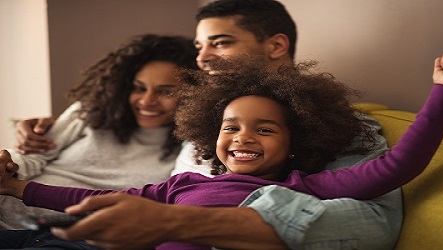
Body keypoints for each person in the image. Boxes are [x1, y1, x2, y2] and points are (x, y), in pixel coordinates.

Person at [10, 0, 404, 249]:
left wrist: (182, 221)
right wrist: (40, 139)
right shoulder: (203, 121)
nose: (202, 58)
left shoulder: (338, 127)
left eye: (220, 42)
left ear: (276, 46)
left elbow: (372, 227)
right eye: (199, 46)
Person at [0, 51, 443, 250]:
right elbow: (90, 204)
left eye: (264, 129)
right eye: (230, 128)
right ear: (211, 135)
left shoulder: (302, 186)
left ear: (296, 144)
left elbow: (398, 165)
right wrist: (16, 187)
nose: (243, 138)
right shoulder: (181, 183)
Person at [0, 34, 198, 230]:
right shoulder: (91, 113)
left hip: (65, 236)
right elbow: (31, 158)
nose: (146, 101)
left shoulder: (190, 150)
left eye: (165, 92)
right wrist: (8, 166)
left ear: (195, 95)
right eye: (138, 88)